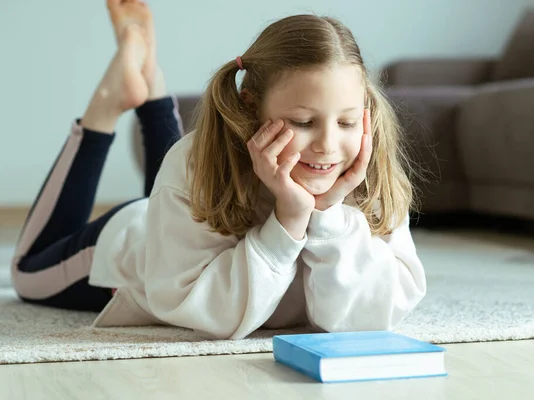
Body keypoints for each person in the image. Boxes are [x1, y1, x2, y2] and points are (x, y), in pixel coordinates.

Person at [11, 0, 426, 340]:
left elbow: (375, 315)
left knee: (189, 171)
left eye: (348, 122)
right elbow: (209, 314)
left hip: (185, 211)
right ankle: (108, 101)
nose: (329, 146)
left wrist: (327, 216)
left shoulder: (367, 168)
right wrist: (289, 220)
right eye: (303, 122)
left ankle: (151, 84)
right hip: (140, 239)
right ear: (250, 105)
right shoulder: (192, 167)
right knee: (27, 274)